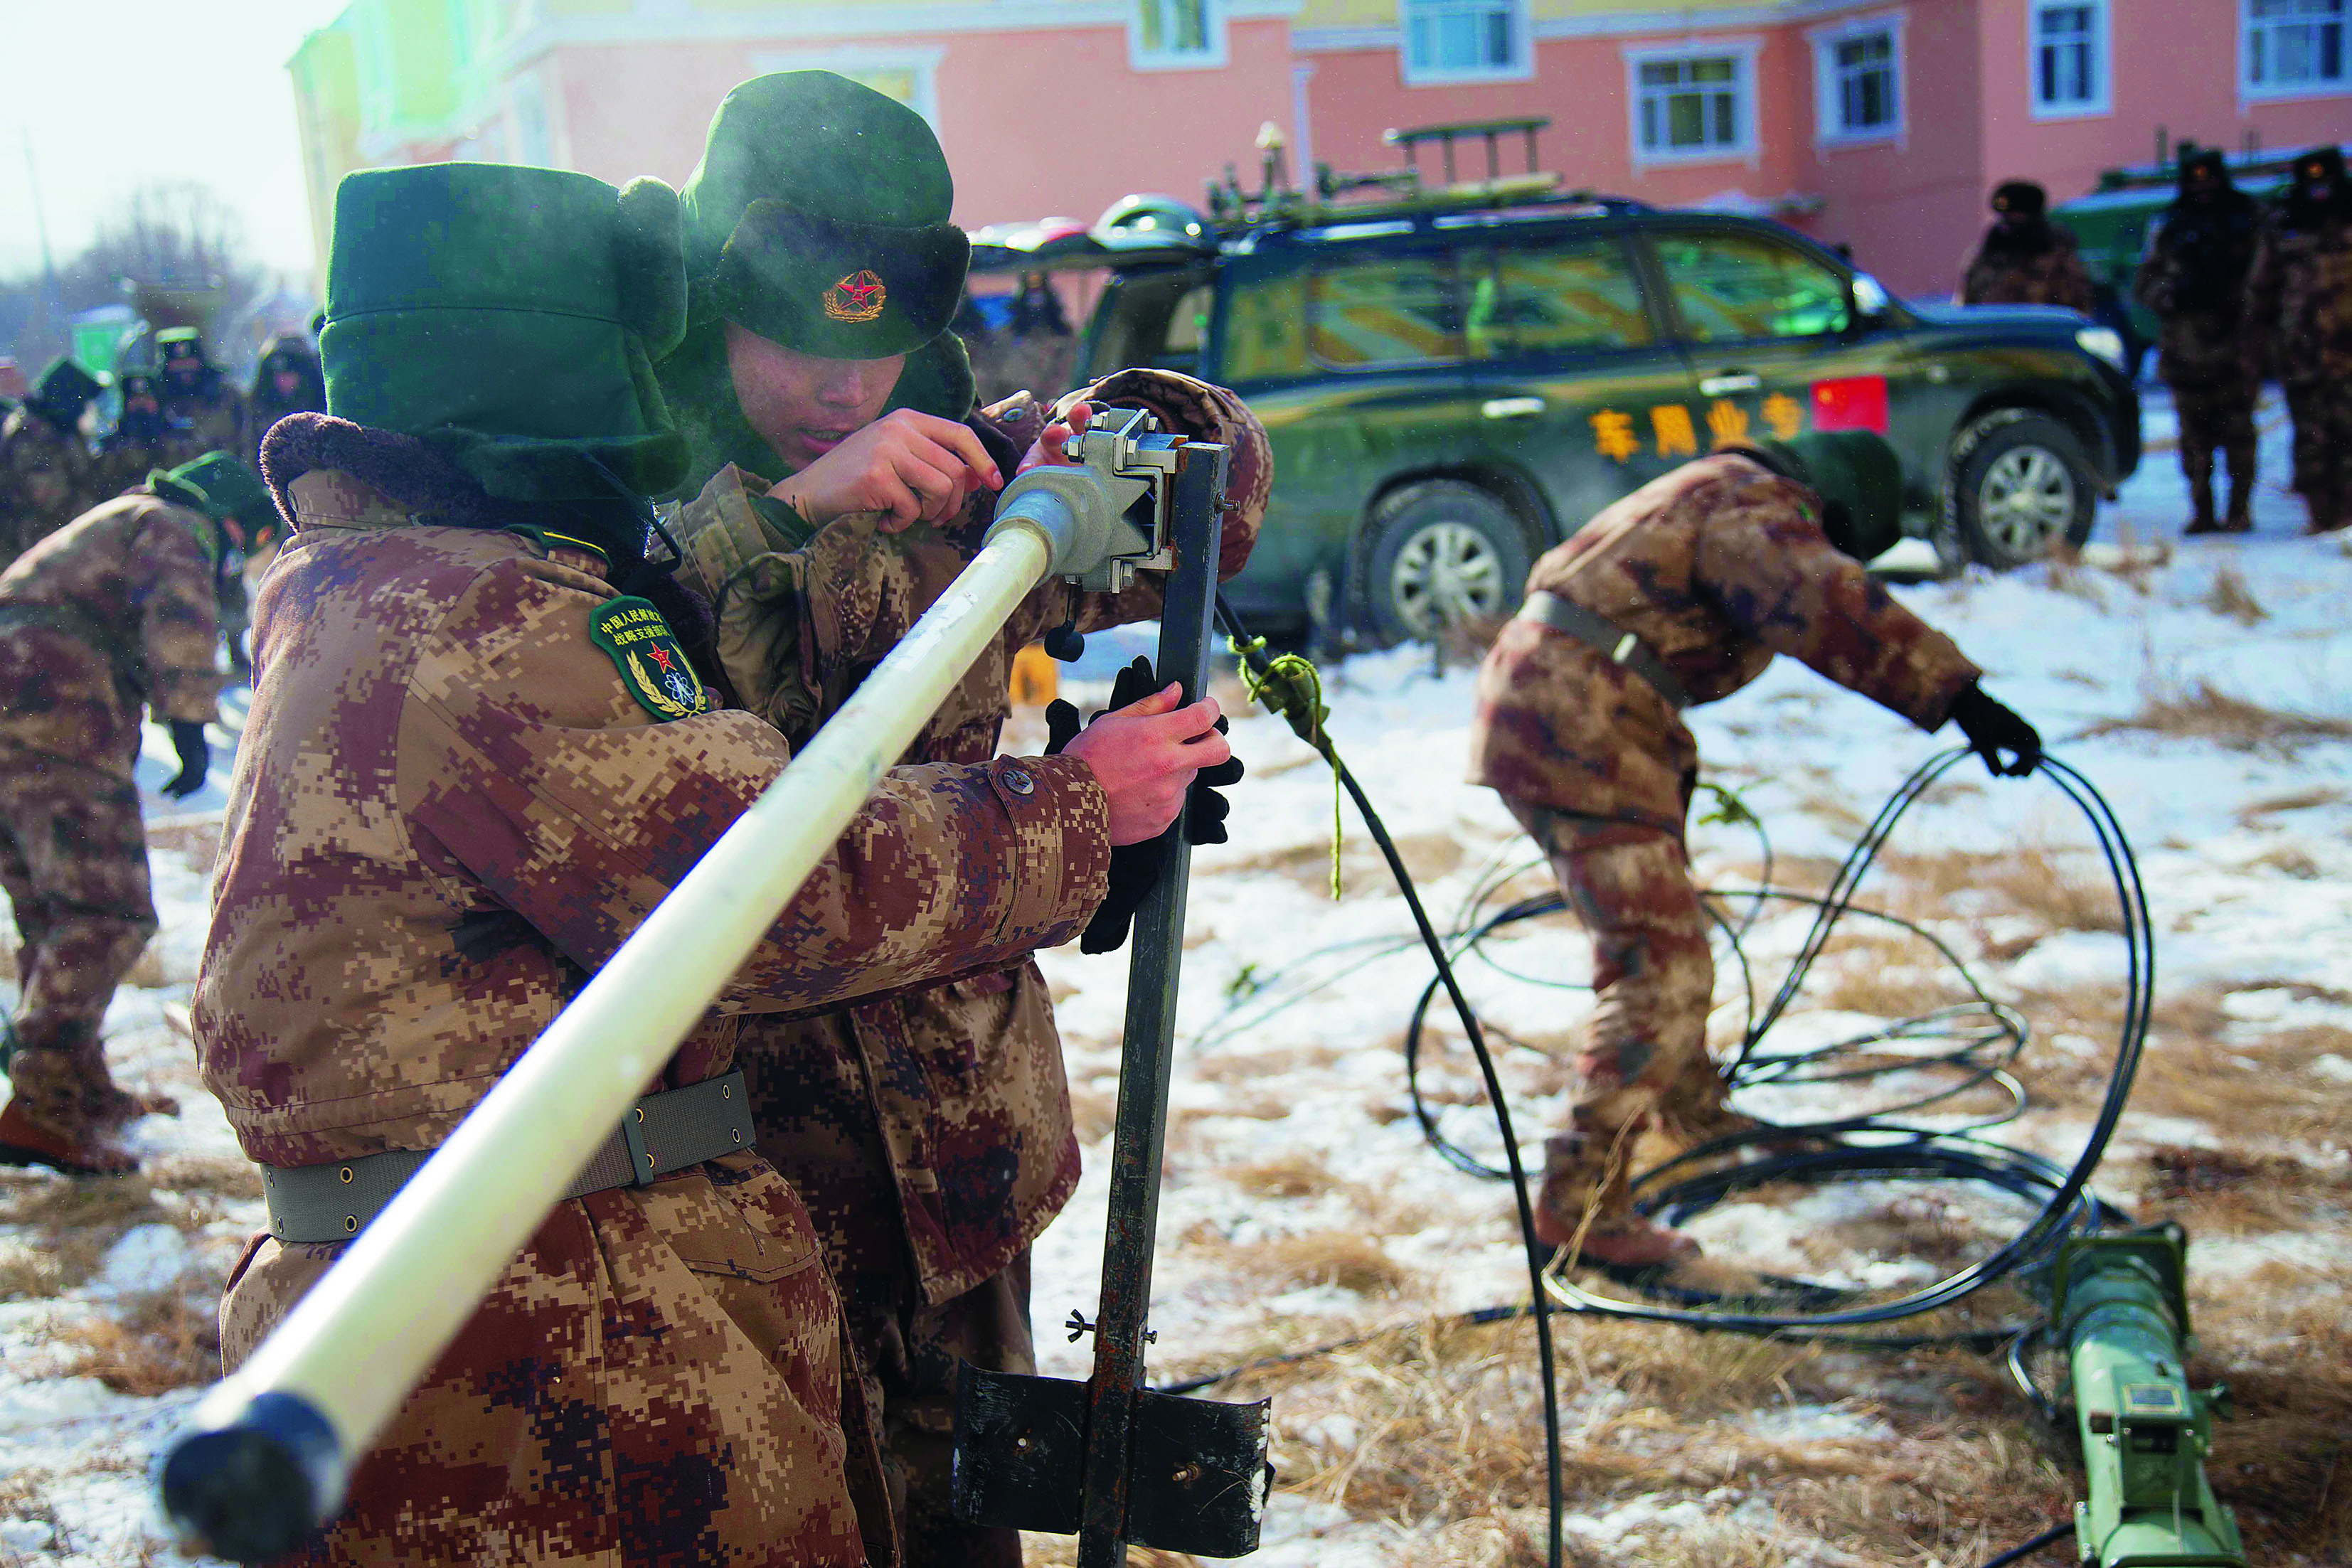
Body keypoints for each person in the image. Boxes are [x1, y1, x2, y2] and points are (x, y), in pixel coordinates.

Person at [196, 160, 1225, 1567]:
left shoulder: (373, 577)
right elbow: (772, 887)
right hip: (550, 1303)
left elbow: (1202, 489)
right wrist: (1072, 811)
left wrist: (1129, 427)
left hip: (766, 1210)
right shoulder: (488, 609)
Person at [654, 71, 1270, 1566]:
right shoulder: (615, 485)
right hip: (730, 1184)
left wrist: (1130, 420)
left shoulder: (962, 482)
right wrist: (787, 508)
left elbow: (1219, 505)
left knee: (961, 1527)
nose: (835, 383)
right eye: (793, 336)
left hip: (954, 1153)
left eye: (868, 346)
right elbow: (642, 764)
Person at [1467, 432, 2043, 1269]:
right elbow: (1821, 596)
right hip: (1577, 715)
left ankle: (1690, 1111)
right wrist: (1961, 696)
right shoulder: (1754, 501)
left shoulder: (1710, 488)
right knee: (1659, 966)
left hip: (1573, 707)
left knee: (1664, 937)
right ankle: (1578, 1211)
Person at [0, 452, 240, 1175]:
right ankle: (41, 1108)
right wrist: (192, 721)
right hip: (53, 703)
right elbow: (179, 618)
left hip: (18, 698)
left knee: (53, 911)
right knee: (108, 913)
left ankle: (77, 1089)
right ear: (231, 522)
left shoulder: (115, 521)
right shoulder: (174, 524)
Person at [2137, 150, 2265, 535]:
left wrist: (2239, 299)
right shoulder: (2171, 226)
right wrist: (2173, 296)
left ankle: (2239, 510)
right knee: (2195, 441)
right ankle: (2203, 512)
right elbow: (2145, 283)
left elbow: (2270, 278)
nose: (2204, 189)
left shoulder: (2248, 220)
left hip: (2235, 348)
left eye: (2210, 181)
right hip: (2186, 351)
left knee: (2239, 435)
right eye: (2196, 182)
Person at [2243, 144, 2352, 535]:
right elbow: (2261, 291)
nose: (2320, 191)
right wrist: (2254, 349)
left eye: (2327, 181)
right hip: (2302, 352)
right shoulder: (2285, 225)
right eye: (2312, 182)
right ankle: (2321, 518)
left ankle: (2347, 519)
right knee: (2311, 440)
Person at [0, 358, 101, 567]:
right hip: (29, 550)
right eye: (80, 403)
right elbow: (48, 498)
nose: (83, 411)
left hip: (53, 546)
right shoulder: (31, 435)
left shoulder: (59, 430)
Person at [1959, 181, 2095, 312]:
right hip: (1994, 331)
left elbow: (2078, 307)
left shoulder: (2058, 256)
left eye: (2016, 217)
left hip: (2040, 331)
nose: (2008, 225)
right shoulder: (1984, 257)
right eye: (2005, 217)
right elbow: (1968, 303)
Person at [154, 327, 246, 469]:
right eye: (177, 364)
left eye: (189, 361)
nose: (184, 368)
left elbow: (247, 440)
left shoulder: (227, 397)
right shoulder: (157, 402)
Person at [92, 368, 180, 506]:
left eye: (147, 399)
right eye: (135, 399)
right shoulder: (111, 445)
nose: (141, 404)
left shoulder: (179, 438)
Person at [243, 331, 325, 468]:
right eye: (279, 375)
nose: (283, 381)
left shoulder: (318, 404)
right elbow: (251, 453)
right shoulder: (260, 409)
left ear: (303, 376)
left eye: (289, 375)